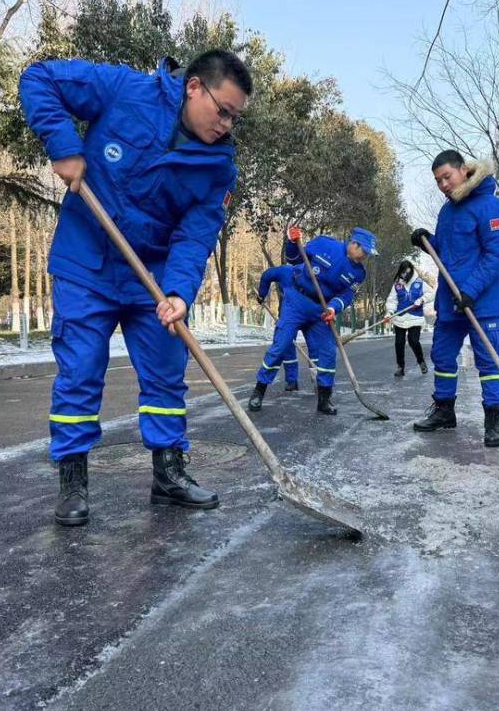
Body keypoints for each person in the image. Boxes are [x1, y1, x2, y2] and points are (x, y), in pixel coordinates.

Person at [19, 49, 252, 527]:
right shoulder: (126, 90)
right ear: (194, 87)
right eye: (222, 110)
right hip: (87, 260)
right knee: (81, 371)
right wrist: (64, 145)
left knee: (167, 371)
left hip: (154, 275)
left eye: (235, 117)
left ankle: (168, 475)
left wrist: (180, 293)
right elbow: (39, 79)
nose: (227, 124)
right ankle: (73, 479)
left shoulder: (217, 167)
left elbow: (196, 234)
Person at [411, 150, 499, 447]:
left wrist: (471, 290)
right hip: (450, 303)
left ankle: (493, 419)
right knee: (442, 357)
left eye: (447, 176)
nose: (442, 184)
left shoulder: (491, 207)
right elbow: (445, 253)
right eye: (438, 180)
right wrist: (426, 242)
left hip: (480, 303)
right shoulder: (448, 211)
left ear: (464, 170)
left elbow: (497, 255)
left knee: (489, 362)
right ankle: (444, 412)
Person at [247, 225, 377, 415]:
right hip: (296, 302)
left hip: (321, 312)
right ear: (353, 244)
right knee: (281, 346)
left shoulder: (359, 273)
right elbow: (294, 258)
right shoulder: (324, 244)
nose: (365, 257)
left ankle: (324, 399)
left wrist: (334, 308)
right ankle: (259, 390)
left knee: (328, 353)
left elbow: (347, 295)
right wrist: (292, 242)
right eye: (364, 252)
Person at [254, 264, 319, 393]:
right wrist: (262, 294)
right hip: (290, 314)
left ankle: (319, 383)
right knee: (286, 347)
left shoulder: (318, 271)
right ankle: (292, 381)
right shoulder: (286, 271)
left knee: (315, 348)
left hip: (311, 316)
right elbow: (267, 275)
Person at [385, 260, 435, 378]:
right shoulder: (397, 285)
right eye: (403, 273)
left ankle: (421, 361)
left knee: (413, 341)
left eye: (407, 273)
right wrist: (389, 312)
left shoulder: (419, 283)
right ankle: (400, 367)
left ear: (411, 271)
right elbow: (392, 300)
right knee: (399, 343)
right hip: (400, 319)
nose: (405, 276)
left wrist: (421, 300)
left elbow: (431, 293)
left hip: (415, 318)